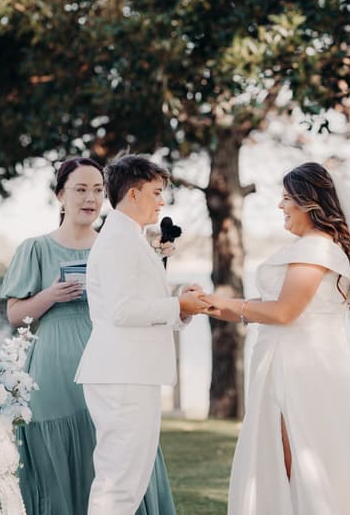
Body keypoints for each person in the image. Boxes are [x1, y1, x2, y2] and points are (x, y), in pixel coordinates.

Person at [203, 162, 350, 515]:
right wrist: (209, 304)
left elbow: (284, 312)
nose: (280, 206)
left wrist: (231, 303)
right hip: (289, 361)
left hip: (300, 368)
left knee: (301, 460)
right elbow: (268, 308)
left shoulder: (315, 248)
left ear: (308, 202)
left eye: (286, 199)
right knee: (294, 459)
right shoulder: (313, 247)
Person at [0, 157, 178, 515]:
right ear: (60, 196)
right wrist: (51, 295)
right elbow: (15, 314)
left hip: (111, 357)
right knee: (67, 456)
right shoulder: (36, 248)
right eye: (80, 189)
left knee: (120, 454)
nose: (90, 198)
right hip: (56, 363)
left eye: (97, 189)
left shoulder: (122, 240)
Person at [74, 153, 210, 515]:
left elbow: (138, 307)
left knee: (129, 478)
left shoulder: (129, 237)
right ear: (132, 194)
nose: (162, 201)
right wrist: (177, 305)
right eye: (156, 191)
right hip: (122, 376)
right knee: (119, 480)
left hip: (132, 373)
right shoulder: (119, 240)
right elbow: (122, 311)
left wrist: (182, 310)